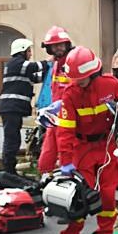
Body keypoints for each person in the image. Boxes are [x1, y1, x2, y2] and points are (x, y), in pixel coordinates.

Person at [55, 46, 118, 234]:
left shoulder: (109, 84)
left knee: (108, 199)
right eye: (74, 78)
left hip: (106, 147)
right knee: (79, 200)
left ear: (92, 73)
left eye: (80, 78)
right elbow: (65, 132)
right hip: (82, 150)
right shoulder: (70, 95)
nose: (76, 82)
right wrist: (65, 161)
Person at [0, 38, 49, 174]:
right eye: (28, 51)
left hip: (12, 109)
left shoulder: (19, 68)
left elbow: (36, 77)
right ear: (22, 51)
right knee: (12, 140)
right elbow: (36, 67)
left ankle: (9, 168)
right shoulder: (16, 63)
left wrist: (49, 73)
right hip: (11, 108)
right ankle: (8, 170)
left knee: (13, 138)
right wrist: (50, 62)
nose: (30, 54)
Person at [37, 26, 74, 173]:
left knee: (67, 160)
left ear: (67, 45)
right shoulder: (56, 64)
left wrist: (63, 104)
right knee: (45, 160)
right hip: (55, 119)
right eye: (54, 46)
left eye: (60, 45)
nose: (58, 48)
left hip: (70, 120)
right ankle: (45, 180)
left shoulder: (73, 62)